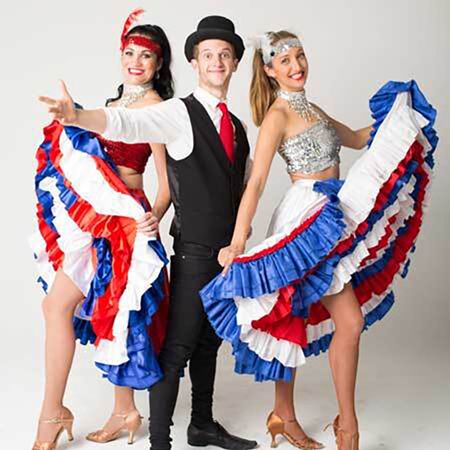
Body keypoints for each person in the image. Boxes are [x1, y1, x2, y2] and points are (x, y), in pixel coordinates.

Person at [199, 31, 438, 450]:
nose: (296, 66)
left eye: (300, 56)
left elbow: (360, 138)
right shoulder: (277, 115)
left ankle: (284, 416)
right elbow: (255, 183)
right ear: (270, 70)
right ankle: (347, 426)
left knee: (294, 316)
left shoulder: (314, 109)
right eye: (285, 61)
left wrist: (399, 111)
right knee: (343, 319)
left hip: (333, 210)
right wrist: (238, 241)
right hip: (305, 217)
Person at [39, 14, 258, 450]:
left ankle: (202, 424)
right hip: (193, 249)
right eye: (208, 54)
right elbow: (127, 125)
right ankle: (160, 441)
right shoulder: (175, 112)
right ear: (195, 61)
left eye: (225, 55)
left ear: (234, 64)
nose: (217, 62)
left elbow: (245, 184)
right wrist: (78, 116)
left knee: (210, 341)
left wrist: (243, 239)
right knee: (176, 347)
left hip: (228, 252)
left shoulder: (237, 126)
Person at [31, 9, 174, 449]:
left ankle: (100, 412)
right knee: (68, 307)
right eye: (129, 53)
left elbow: (166, 183)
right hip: (95, 218)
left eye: (145, 56)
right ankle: (84, 411)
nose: (135, 62)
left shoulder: (159, 109)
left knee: (119, 311)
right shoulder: (111, 106)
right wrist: (69, 117)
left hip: (128, 219)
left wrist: (155, 216)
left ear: (159, 64)